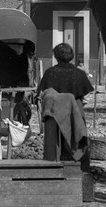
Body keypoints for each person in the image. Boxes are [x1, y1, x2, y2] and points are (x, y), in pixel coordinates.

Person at [36, 42, 93, 170]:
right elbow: (86, 96)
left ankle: (55, 166)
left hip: (54, 112)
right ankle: (79, 168)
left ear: (56, 56)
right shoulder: (79, 73)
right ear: (71, 56)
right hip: (75, 110)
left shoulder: (50, 72)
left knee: (56, 142)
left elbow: (41, 93)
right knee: (77, 136)